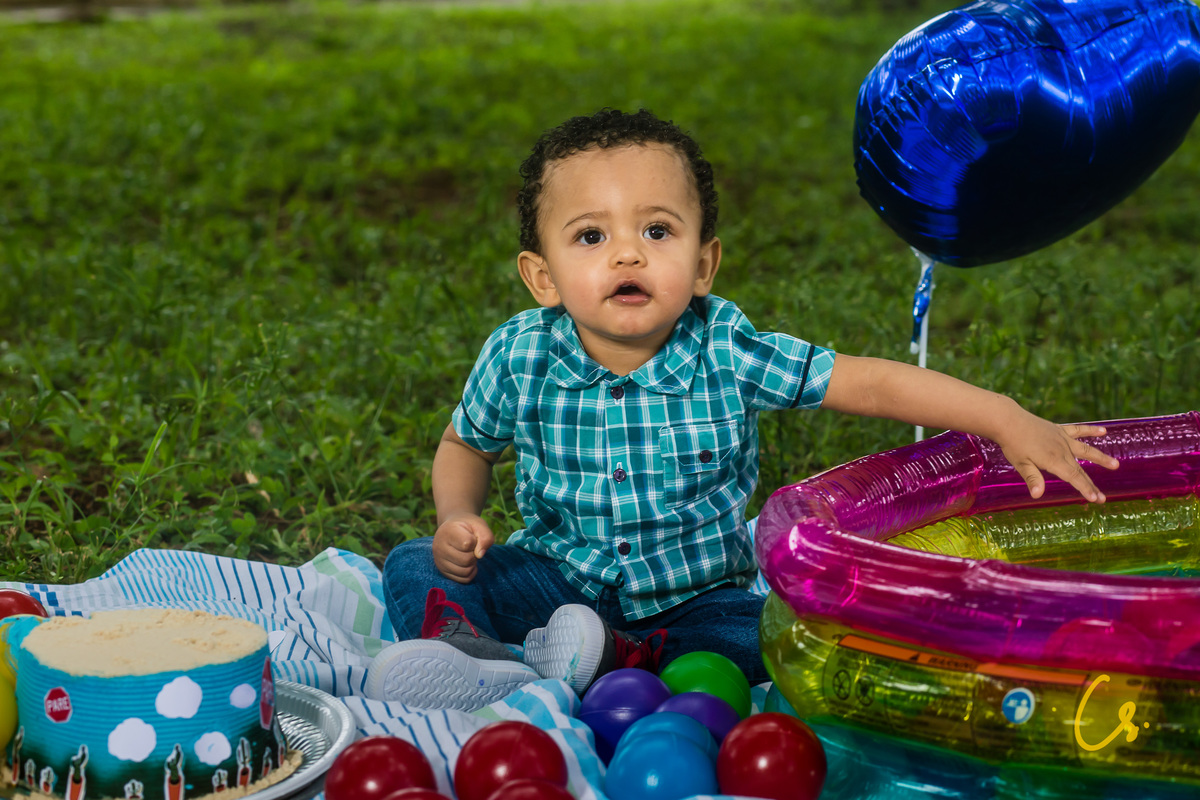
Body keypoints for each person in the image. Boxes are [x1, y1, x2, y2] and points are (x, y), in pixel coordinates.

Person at [367, 108, 1119, 711]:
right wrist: (455, 521)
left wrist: (1003, 415)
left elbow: (870, 385)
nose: (627, 255)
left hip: (693, 602)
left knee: (780, 632)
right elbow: (466, 445)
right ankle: (482, 657)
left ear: (702, 264)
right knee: (411, 565)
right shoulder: (519, 354)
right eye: (591, 235)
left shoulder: (725, 347)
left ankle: (610, 661)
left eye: (656, 231)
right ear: (543, 277)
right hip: (554, 582)